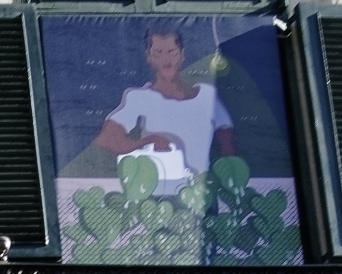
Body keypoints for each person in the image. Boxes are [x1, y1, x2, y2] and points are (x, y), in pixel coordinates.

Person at [87, 25, 237, 189]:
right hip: (157, 195)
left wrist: (224, 183)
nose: (166, 60)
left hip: (202, 196)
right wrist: (149, 140)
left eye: (171, 52)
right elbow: (106, 139)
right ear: (148, 57)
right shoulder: (139, 97)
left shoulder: (207, 96)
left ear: (182, 55)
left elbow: (228, 147)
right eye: (158, 53)